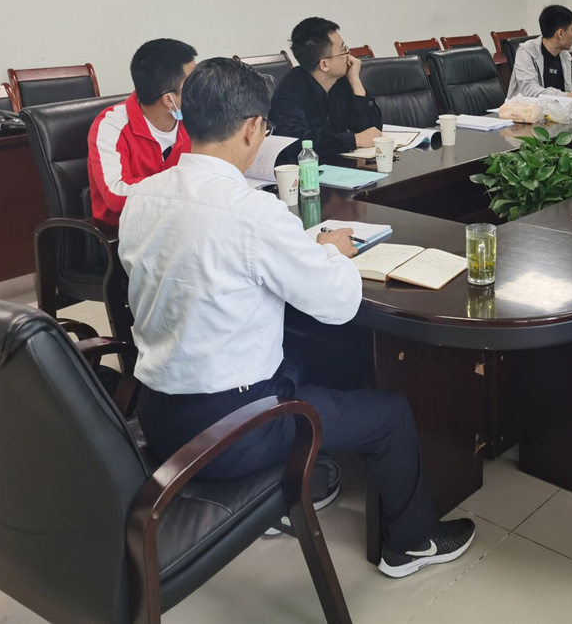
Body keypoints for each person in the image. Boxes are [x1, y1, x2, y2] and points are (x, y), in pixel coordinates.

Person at [119, 58, 474, 578]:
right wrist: (334, 253)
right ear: (252, 129)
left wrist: (300, 252)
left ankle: (311, 469)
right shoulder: (252, 212)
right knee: (390, 415)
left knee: (302, 357)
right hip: (232, 433)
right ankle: (412, 544)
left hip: (158, 414)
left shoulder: (143, 196)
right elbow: (339, 303)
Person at [87, 38, 196, 226]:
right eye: (193, 84)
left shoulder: (193, 117)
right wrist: (180, 185)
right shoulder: (111, 125)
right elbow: (116, 194)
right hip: (126, 229)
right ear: (169, 100)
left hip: (179, 219)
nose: (201, 89)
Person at [270, 17, 383, 162]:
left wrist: (355, 81)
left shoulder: (342, 80)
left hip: (341, 166)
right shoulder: (290, 89)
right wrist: (354, 140)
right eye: (344, 50)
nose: (349, 56)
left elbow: (373, 131)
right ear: (324, 65)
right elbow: (296, 142)